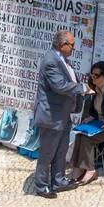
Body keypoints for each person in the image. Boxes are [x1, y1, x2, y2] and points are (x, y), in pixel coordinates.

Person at [30, 30, 91, 198]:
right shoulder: (51, 61)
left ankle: (58, 180)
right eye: (71, 45)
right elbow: (60, 86)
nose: (73, 48)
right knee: (47, 152)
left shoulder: (62, 59)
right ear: (61, 45)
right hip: (51, 115)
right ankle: (41, 186)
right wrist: (82, 88)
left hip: (63, 115)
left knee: (61, 149)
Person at [69, 61, 104, 185]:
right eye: (91, 75)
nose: (93, 78)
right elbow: (96, 112)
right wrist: (91, 118)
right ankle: (78, 166)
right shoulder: (95, 91)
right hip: (99, 125)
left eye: (96, 75)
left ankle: (90, 170)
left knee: (87, 139)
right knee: (80, 133)